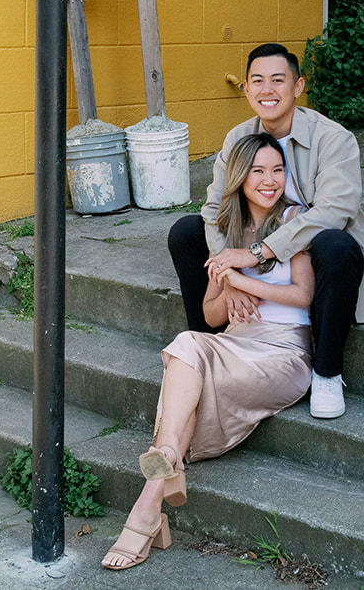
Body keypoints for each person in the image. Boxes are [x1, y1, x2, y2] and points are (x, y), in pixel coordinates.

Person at [102, 133, 314, 572]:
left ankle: (148, 506)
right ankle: (156, 491)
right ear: (239, 178)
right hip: (236, 341)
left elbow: (302, 294)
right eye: (258, 171)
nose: (270, 180)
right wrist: (225, 278)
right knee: (189, 341)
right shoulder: (226, 231)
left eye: (278, 170)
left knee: (188, 358)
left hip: (282, 352)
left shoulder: (295, 219)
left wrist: (240, 276)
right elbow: (211, 316)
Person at [168, 42, 364, 420]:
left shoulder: (333, 139)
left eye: (278, 80)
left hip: (316, 258)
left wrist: (257, 254)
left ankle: (326, 372)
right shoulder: (239, 137)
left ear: (298, 86)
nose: (267, 90)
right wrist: (230, 276)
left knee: (335, 244)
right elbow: (214, 207)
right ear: (245, 89)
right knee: (186, 232)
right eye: (257, 80)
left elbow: (335, 210)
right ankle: (211, 343)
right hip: (250, 248)